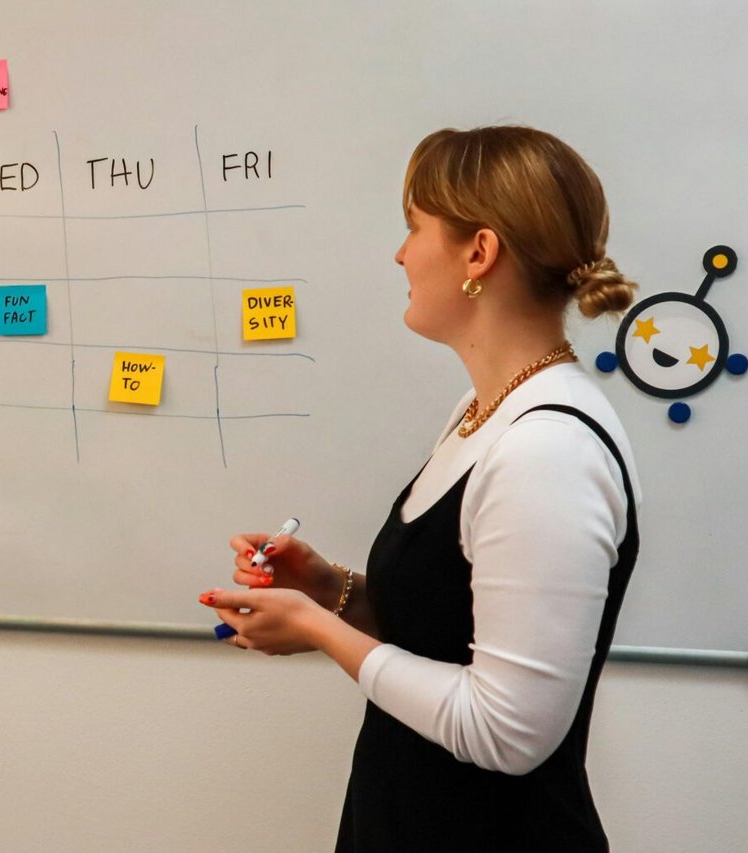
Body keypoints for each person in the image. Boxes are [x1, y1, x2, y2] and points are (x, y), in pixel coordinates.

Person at [200, 126, 641, 852]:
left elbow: (505, 731)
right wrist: (331, 588)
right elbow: (449, 631)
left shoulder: (545, 448)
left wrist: (316, 630)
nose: (400, 253)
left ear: (480, 252)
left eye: (414, 227)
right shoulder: (483, 414)